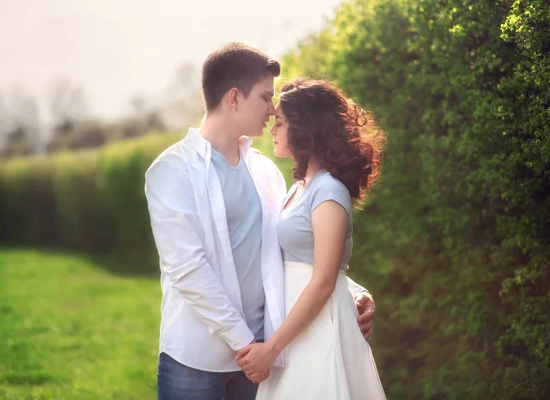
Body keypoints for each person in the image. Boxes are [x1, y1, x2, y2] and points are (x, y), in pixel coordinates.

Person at [144, 43, 376, 400]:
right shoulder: (171, 171)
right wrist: (248, 345)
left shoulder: (266, 173)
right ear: (234, 98)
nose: (272, 110)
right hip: (198, 358)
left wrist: (354, 294)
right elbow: (188, 268)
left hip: (264, 357)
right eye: (266, 98)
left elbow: (293, 255)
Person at [236, 78, 388, 399]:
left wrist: (271, 347)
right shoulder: (300, 188)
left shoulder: (328, 192)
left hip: (317, 331)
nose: (272, 131)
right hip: (296, 330)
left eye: (279, 122)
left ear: (305, 129)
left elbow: (323, 280)